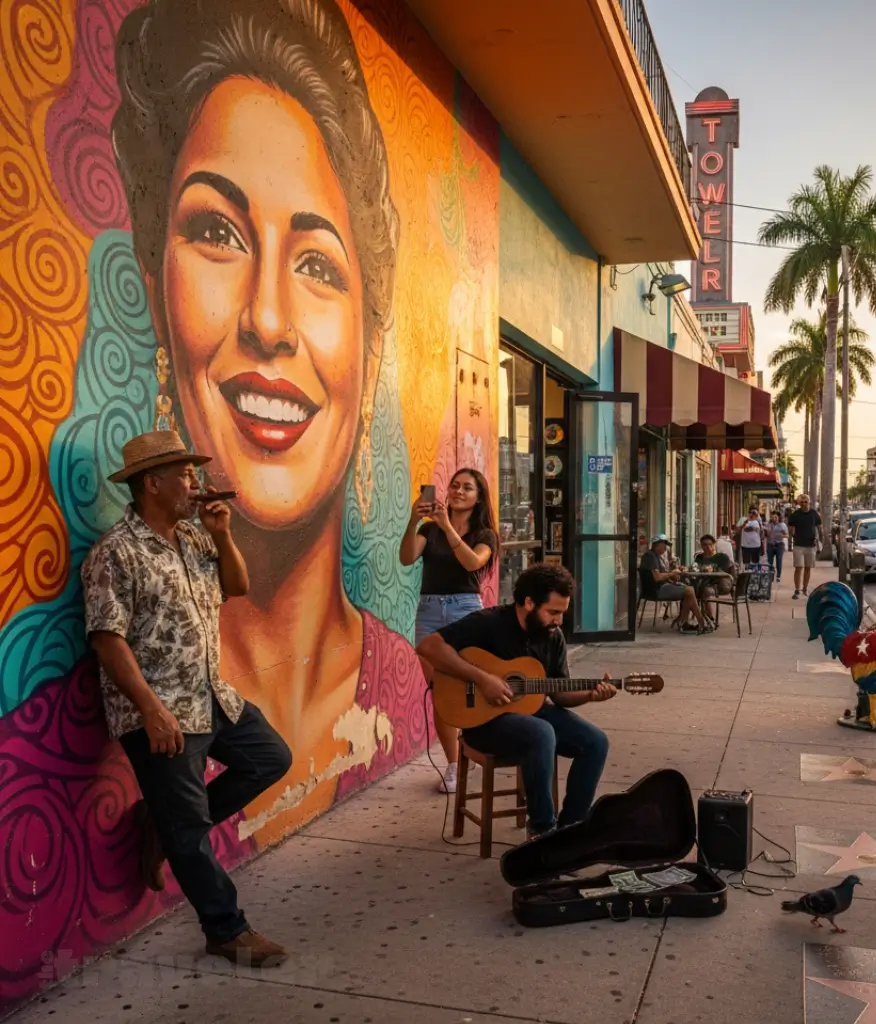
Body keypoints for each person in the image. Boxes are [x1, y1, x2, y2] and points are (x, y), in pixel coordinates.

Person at [109, 0, 421, 845]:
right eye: (217, 232)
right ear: (153, 286)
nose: (270, 322)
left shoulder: (403, 680)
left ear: (372, 331)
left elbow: (230, 586)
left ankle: (183, 858)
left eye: (318, 263)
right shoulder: (131, 554)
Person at [82, 430, 293, 967]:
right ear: (152, 483)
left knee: (271, 758)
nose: (196, 484)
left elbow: (237, 587)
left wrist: (222, 535)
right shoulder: (116, 552)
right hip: (162, 713)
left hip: (213, 697)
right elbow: (107, 639)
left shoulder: (195, 537)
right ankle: (226, 928)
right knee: (191, 834)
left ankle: (165, 825)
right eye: (185, 475)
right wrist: (152, 710)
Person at [416, 563, 614, 837]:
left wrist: (591, 695)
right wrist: (483, 680)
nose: (559, 621)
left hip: (531, 714)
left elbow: (559, 694)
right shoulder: (488, 623)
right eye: (553, 612)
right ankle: (542, 833)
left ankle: (570, 833)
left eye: (562, 613)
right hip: (483, 723)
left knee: (595, 742)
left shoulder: (552, 637)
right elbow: (428, 647)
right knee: (541, 732)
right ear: (529, 602)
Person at [400, 469, 499, 793]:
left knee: (470, 689)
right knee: (441, 694)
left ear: (478, 496)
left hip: (465, 611)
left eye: (467, 487)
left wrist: (446, 527)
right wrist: (413, 521)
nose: (457, 491)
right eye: (454, 485)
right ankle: (454, 765)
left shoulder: (485, 534)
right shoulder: (431, 530)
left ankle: (478, 752)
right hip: (428, 612)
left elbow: (472, 563)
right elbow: (406, 557)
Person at [640, 535, 710, 632]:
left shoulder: (657, 557)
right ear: (657, 544)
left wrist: (673, 574)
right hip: (656, 589)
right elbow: (657, 577)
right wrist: (671, 574)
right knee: (689, 590)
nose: (666, 547)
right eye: (664, 544)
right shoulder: (650, 556)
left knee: (689, 590)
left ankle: (684, 623)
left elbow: (664, 575)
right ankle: (701, 624)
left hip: (662, 586)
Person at [787, 494, 823, 598]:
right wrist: (790, 542)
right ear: (799, 503)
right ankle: (797, 590)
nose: (803, 504)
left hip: (810, 546)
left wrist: (821, 541)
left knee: (808, 568)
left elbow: (820, 528)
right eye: (801, 502)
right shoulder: (795, 514)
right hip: (798, 545)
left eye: (805, 502)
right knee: (799, 567)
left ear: (809, 502)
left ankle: (805, 589)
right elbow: (790, 529)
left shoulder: (814, 514)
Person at [692, 534, 734, 623]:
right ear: (701, 546)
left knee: (704, 591)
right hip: (702, 582)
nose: (707, 547)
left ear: (714, 544)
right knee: (688, 590)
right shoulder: (699, 557)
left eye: (709, 544)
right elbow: (695, 568)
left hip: (717, 584)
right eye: (704, 545)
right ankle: (687, 619)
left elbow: (725, 573)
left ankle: (710, 618)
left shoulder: (721, 557)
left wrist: (712, 569)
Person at [764, 510, 789, 583]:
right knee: (769, 561)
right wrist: (765, 532)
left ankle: (778, 576)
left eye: (775, 517)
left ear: (778, 518)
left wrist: (781, 534)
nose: (774, 518)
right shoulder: (768, 525)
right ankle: (770, 575)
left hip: (779, 545)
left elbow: (787, 535)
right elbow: (765, 535)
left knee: (779, 560)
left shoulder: (782, 525)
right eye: (772, 517)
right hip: (770, 544)